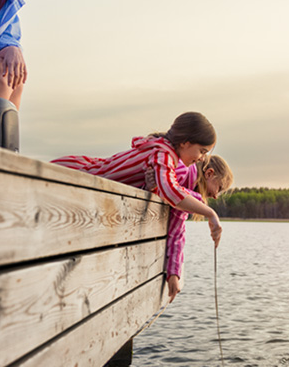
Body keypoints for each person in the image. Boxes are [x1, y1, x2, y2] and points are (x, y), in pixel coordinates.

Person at [50, 112, 226, 265]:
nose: (203, 158)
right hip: (73, 174)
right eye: (202, 151)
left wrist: (151, 188)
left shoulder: (165, 156)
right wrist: (210, 213)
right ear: (186, 143)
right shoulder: (162, 153)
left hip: (85, 182)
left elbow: (161, 189)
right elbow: (171, 191)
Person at [158, 155, 233, 302]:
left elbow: (177, 232)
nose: (216, 196)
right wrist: (207, 210)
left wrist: (174, 273)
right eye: (219, 188)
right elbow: (172, 188)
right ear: (209, 174)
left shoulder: (187, 191)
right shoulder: (183, 169)